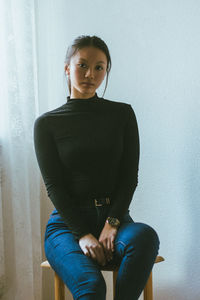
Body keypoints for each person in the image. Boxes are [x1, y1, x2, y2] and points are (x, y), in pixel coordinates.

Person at [34, 35, 160, 300]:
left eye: (99, 67)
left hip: (116, 220)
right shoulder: (46, 124)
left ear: (106, 71)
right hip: (67, 226)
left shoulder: (122, 115)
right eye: (82, 65)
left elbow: (129, 177)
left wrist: (112, 223)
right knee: (92, 287)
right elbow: (54, 186)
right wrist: (82, 234)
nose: (90, 73)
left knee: (145, 237)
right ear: (67, 67)